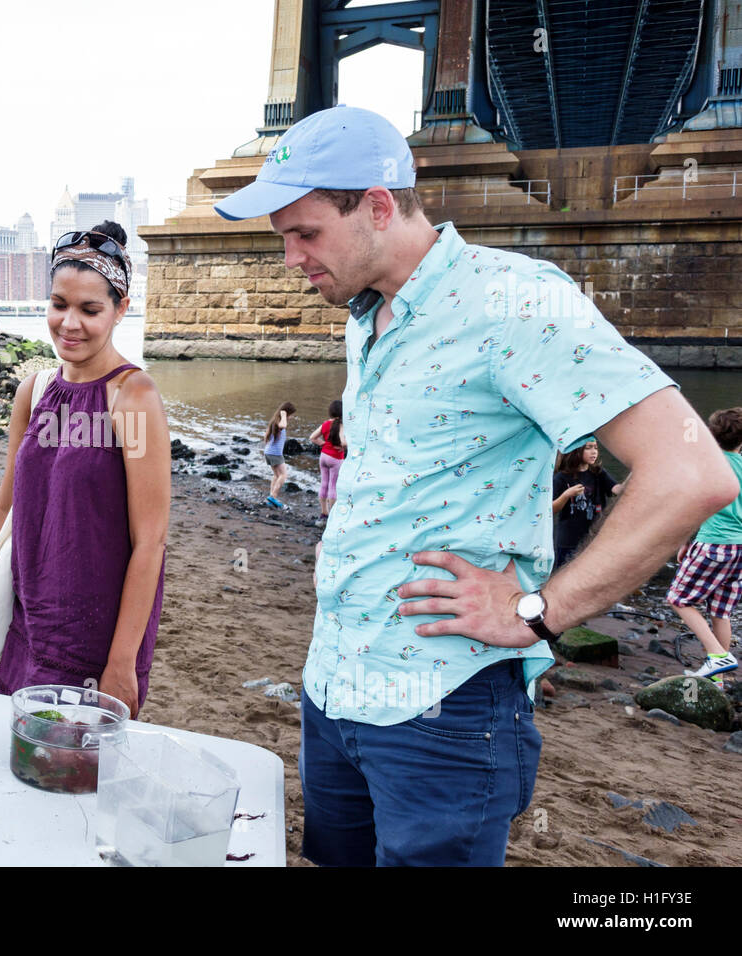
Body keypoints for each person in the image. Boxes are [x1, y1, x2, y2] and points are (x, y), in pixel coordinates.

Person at [216, 105, 738, 866]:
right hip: (332, 691)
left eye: (306, 233)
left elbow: (692, 473)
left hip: (443, 714)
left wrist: (539, 611)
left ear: (380, 206)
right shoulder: (367, 311)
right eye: (282, 238)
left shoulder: (516, 299)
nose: (291, 258)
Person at [0, 221, 170, 718]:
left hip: (98, 633)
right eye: (59, 304)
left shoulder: (132, 397)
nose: (69, 323)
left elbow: (150, 541)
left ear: (120, 310)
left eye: (90, 310)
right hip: (30, 618)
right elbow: (5, 504)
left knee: (72, 776)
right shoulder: (36, 390)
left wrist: (122, 661)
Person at [666, 407, 742, 683]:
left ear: (712, 434)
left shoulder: (708, 463)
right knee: (720, 611)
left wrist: (686, 540)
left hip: (714, 543)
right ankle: (716, 679)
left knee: (679, 599)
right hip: (739, 549)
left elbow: (693, 505)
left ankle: (717, 655)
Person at [551, 438, 623, 568]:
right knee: (565, 575)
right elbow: (551, 509)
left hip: (596, 540)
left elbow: (617, 489)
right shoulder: (561, 477)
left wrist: (636, 476)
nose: (594, 452)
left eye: (595, 448)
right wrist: (567, 495)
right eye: (588, 448)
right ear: (576, 450)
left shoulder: (598, 473)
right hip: (569, 542)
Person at [312, 399, 346, 522]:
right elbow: (344, 442)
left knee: (324, 484)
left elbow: (312, 438)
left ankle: (324, 512)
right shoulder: (342, 425)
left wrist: (324, 444)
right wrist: (344, 447)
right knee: (333, 486)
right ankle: (332, 514)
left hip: (324, 456)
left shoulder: (326, 423)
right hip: (336, 458)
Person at [264, 401, 295, 508]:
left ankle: (271, 496)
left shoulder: (273, 422)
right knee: (283, 475)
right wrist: (284, 415)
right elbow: (284, 425)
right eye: (291, 414)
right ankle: (273, 496)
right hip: (275, 453)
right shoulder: (279, 422)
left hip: (269, 452)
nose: (291, 417)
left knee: (277, 475)